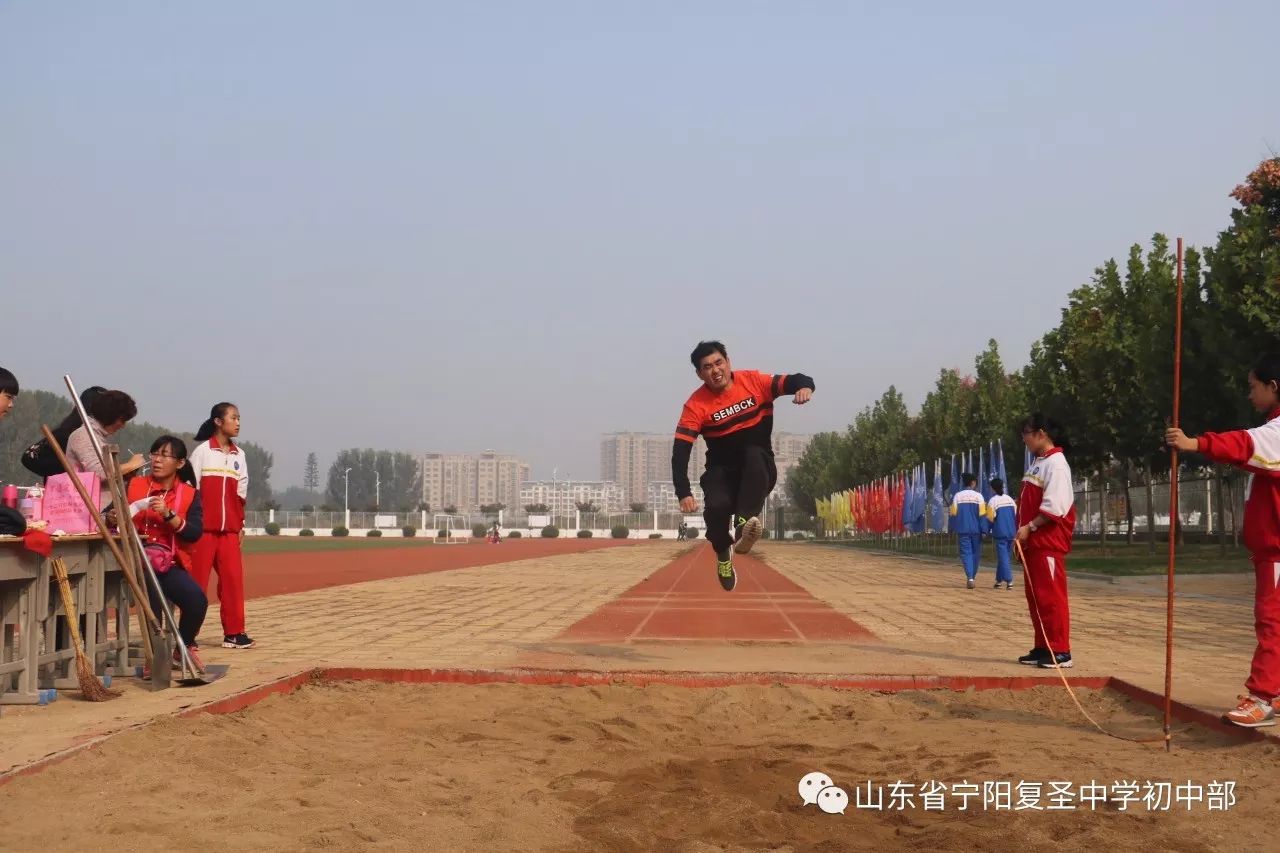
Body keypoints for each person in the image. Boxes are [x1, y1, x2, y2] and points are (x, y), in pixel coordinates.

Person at [1165, 351, 1280, 727]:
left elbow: (1242, 445)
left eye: (1253, 387)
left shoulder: (1277, 431)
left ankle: (1262, 698)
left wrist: (1194, 443)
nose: (1249, 395)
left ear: (1273, 387)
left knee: (1272, 621)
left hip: (1277, 550)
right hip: (1271, 550)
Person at [671, 341, 814, 591]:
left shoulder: (754, 382)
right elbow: (681, 451)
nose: (715, 371)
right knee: (716, 507)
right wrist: (683, 491)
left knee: (753, 454)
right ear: (699, 374)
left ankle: (744, 523)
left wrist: (804, 387)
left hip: (757, 469)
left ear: (728, 362)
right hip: (722, 472)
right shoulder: (696, 405)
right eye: (707, 367)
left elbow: (796, 379)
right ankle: (723, 554)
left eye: (719, 363)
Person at [126, 435, 208, 671]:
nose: (157, 460)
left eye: (165, 455)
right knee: (152, 599)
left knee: (196, 600)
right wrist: (113, 517)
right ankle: (155, 657)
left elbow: (193, 533)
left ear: (180, 463)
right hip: (135, 562)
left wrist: (169, 515)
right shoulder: (134, 484)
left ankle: (184, 647)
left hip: (167, 563)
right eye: (154, 454)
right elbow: (110, 515)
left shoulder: (190, 494)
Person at [189, 402, 253, 649]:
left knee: (233, 581)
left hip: (229, 532)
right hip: (203, 531)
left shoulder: (240, 455)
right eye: (233, 417)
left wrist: (241, 524)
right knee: (196, 585)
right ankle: (188, 635)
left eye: (239, 418)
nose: (238, 422)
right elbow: (191, 491)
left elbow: (241, 493)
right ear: (218, 421)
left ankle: (234, 633)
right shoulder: (202, 452)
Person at [1016, 413, 1077, 669]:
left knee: (1051, 597)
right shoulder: (1038, 463)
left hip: (1048, 541)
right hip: (1033, 542)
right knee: (1037, 597)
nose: (1025, 440)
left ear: (1041, 433)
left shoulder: (1057, 464)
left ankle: (1060, 649)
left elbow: (1055, 506)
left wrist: (1030, 526)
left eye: (1026, 435)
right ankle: (1043, 646)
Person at [21, 386, 107, 479]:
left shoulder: (95, 436)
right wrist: (63, 470)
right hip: (68, 490)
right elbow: (28, 457)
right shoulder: (70, 435)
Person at [64, 389, 145, 487]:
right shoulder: (83, 436)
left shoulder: (98, 437)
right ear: (110, 415)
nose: (123, 425)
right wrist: (131, 465)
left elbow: (107, 476)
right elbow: (99, 473)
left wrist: (124, 474)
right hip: (87, 500)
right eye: (122, 420)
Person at [949, 473, 986, 589]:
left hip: (962, 529)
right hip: (976, 530)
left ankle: (970, 577)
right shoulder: (979, 496)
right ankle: (972, 577)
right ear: (973, 483)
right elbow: (983, 515)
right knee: (976, 554)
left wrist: (951, 529)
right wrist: (984, 530)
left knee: (966, 553)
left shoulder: (957, 496)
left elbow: (953, 515)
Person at [986, 478, 1018, 590]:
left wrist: (986, 530)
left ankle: (1009, 581)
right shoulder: (1010, 499)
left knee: (1003, 558)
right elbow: (1015, 515)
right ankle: (999, 580)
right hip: (1011, 532)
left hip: (1000, 533)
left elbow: (990, 518)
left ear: (993, 488)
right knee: (1004, 557)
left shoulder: (992, 501)